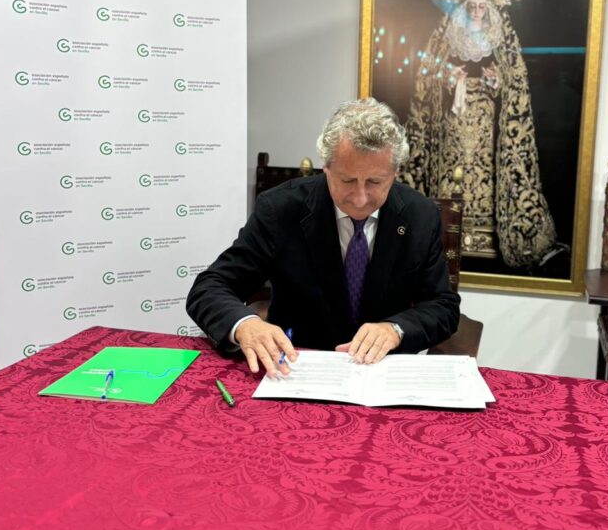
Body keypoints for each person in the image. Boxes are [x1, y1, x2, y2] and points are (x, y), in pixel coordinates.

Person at [186, 98, 460, 377]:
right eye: (347, 180)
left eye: (375, 182)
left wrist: (396, 329)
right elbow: (210, 287)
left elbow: (443, 307)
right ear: (326, 167)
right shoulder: (280, 210)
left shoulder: (419, 215)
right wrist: (245, 324)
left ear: (395, 172)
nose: (360, 198)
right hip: (297, 368)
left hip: (381, 372)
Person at [403, 0, 558, 269]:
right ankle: (445, 225)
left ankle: (486, 228)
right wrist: (449, 79)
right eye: (471, 6)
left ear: (490, 9)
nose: (476, 12)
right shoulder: (447, 38)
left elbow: (516, 83)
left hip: (487, 123)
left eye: (481, 7)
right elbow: (427, 79)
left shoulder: (502, 40)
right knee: (453, 170)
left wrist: (496, 82)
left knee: (482, 172)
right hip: (453, 124)